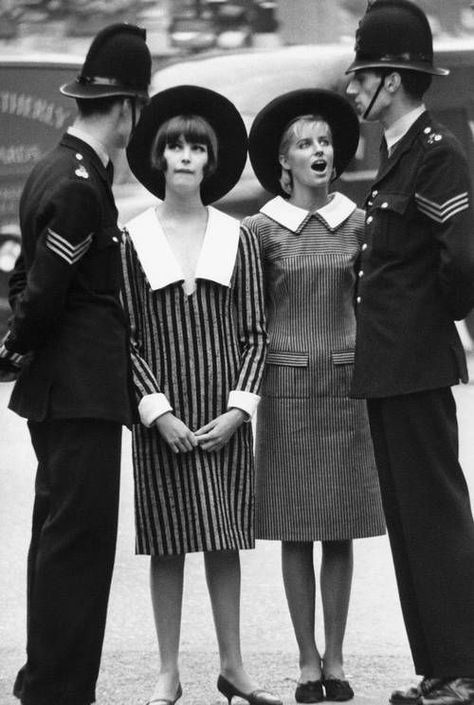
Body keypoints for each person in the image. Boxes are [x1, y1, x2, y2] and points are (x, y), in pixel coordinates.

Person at [0, 23, 151, 705]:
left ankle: (48, 683)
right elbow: (42, 294)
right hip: (80, 390)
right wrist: (19, 340)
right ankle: (58, 691)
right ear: (126, 107)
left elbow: (24, 279)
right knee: (77, 549)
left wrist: (23, 337)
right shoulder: (82, 183)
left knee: (58, 540)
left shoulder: (53, 169)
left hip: (63, 389)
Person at [121, 84, 281, 705]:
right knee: (167, 543)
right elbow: (125, 338)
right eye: (175, 147)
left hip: (222, 417)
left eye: (196, 148)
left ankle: (234, 666)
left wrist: (240, 410)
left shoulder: (237, 237)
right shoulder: (131, 239)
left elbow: (256, 333)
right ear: (159, 158)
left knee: (222, 540)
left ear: (210, 161)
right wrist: (156, 413)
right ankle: (168, 670)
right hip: (163, 417)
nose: (185, 156)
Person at [345, 2, 474, 704]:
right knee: (409, 520)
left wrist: (430, 323)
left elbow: (462, 260)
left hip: (417, 362)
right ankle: (439, 667)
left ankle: (464, 668)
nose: (351, 87)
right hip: (392, 367)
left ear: (390, 80)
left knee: (435, 514)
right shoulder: (402, 152)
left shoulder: (436, 151)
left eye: (359, 74)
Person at [244, 88, 385, 704]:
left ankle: (338, 658)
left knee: (342, 530)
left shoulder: (360, 224)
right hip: (288, 388)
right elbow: (249, 320)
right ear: (285, 164)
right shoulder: (260, 230)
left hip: (347, 389)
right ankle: (306, 661)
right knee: (296, 529)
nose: (318, 150)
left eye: (324, 141)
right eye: (304, 144)